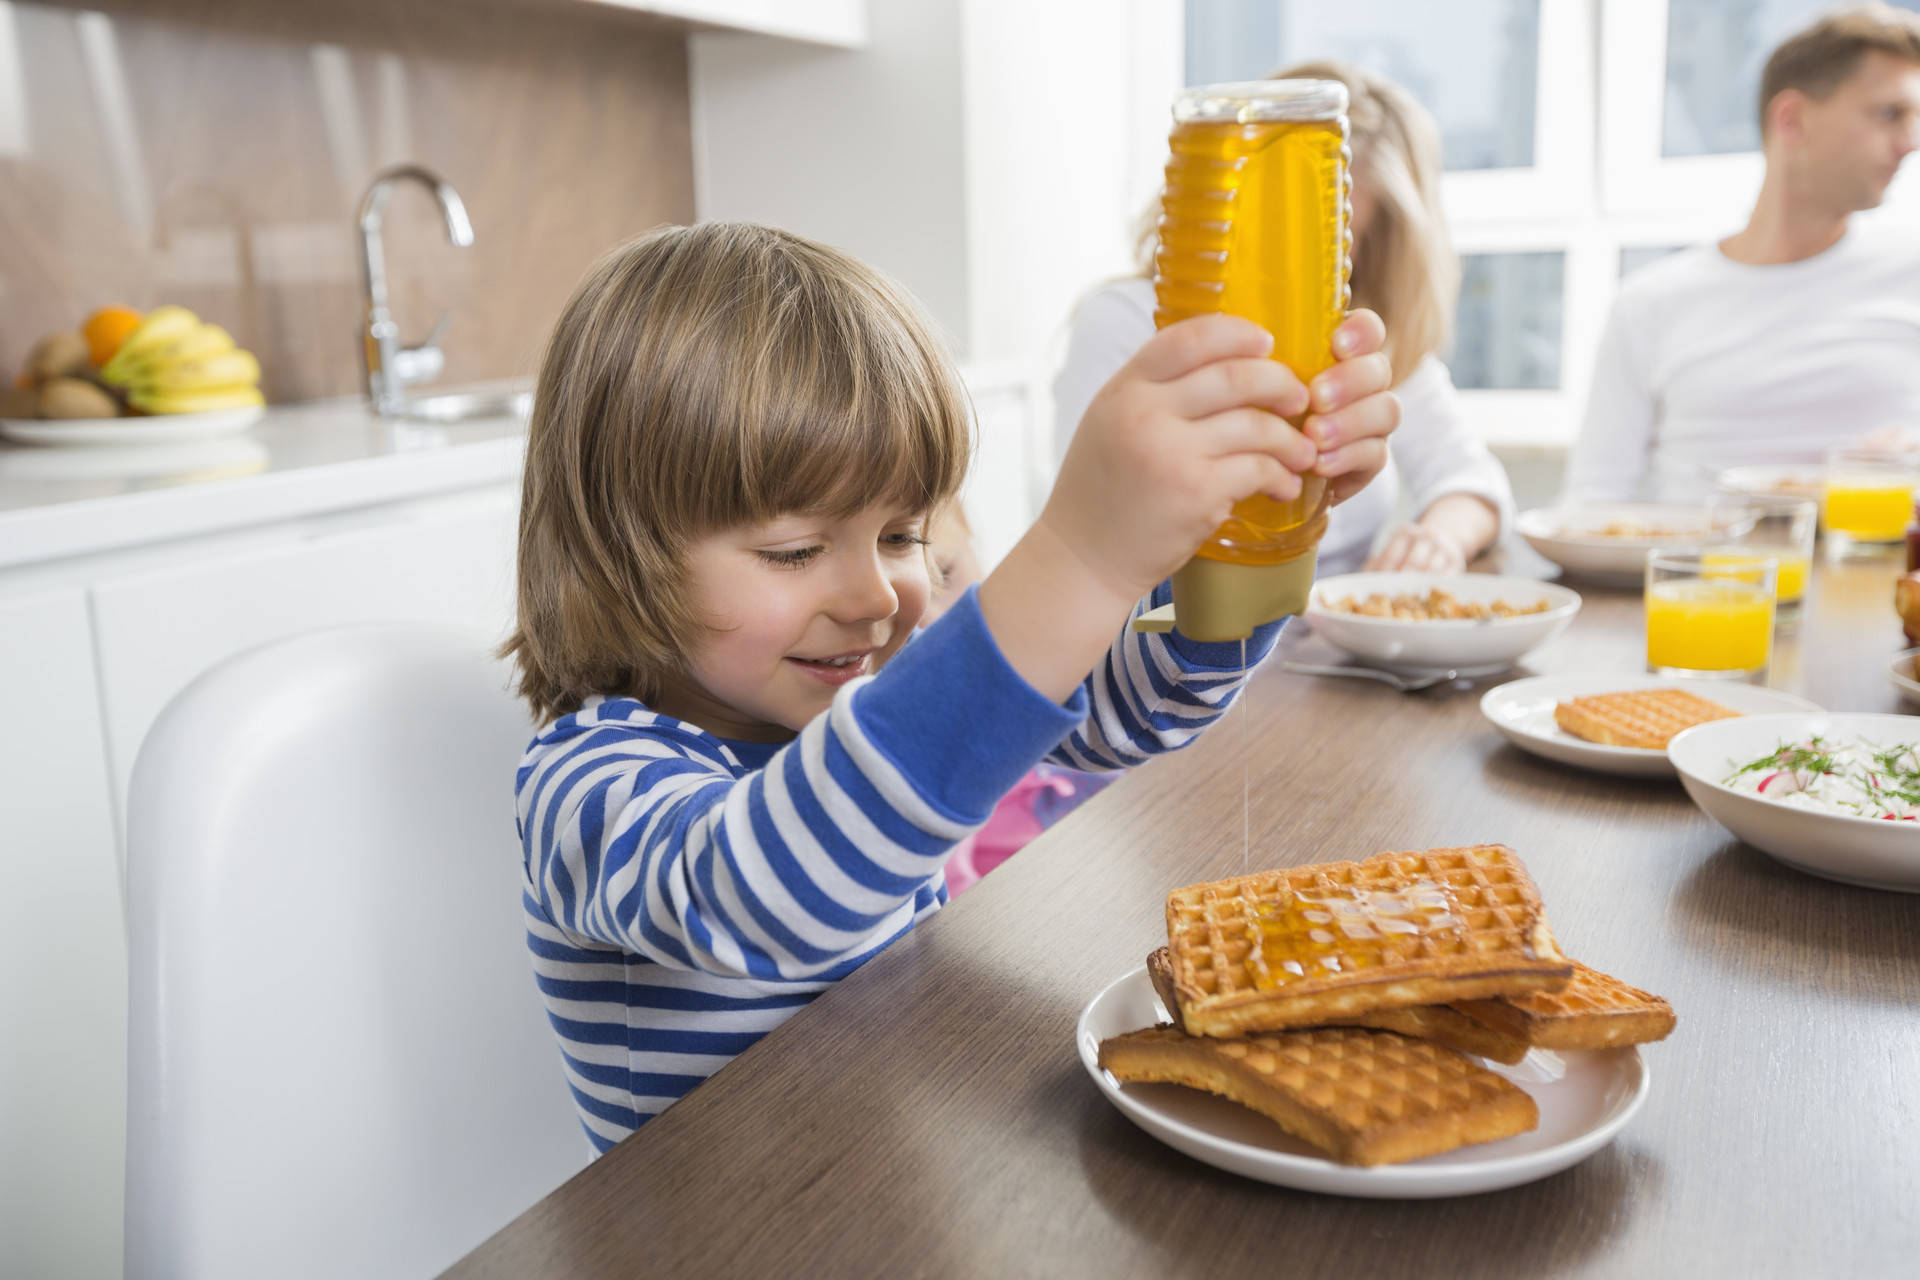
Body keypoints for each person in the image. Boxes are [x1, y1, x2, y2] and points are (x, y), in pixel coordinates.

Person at [502, 221, 1401, 1153]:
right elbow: (768, 893)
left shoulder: (857, 697)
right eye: (796, 550)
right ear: (616, 555)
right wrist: (1080, 561)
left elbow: (1116, 715)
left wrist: (1249, 537)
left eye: (902, 536)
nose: (876, 594)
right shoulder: (587, 779)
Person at [1054, 60, 1513, 575]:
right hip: (1172, 651)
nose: (1292, 266)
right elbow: (1086, 552)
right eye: (1278, 227)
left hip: (1335, 652)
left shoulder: (1358, 332)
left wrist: (1436, 540)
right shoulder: (1126, 323)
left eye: (1331, 243)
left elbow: (1472, 480)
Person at [1564, 4, 1920, 503]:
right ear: (1791, 119)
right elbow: (1592, 503)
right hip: (1700, 574)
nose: (1910, 142)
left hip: (1877, 570)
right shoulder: (1650, 303)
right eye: (1890, 114)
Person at [923, 502, 1112, 896]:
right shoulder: (926, 751)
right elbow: (953, 912)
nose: (935, 622)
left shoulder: (1039, 645)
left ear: (970, 531)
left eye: (944, 574)